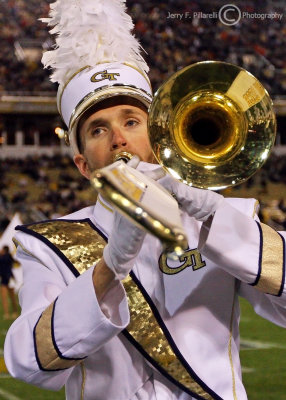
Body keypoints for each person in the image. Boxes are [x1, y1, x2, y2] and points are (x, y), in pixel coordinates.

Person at [4, 1, 286, 399]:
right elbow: (26, 361)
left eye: (131, 121)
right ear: (84, 165)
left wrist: (212, 213)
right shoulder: (48, 245)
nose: (119, 138)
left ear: (158, 135)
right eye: (98, 129)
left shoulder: (229, 219)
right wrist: (110, 267)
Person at [0, 246, 18, 320]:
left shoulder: (5, 257)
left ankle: (12, 312)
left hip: (8, 278)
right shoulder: (7, 257)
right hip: (7, 278)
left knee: (10, 297)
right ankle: (9, 313)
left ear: (4, 250)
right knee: (7, 297)